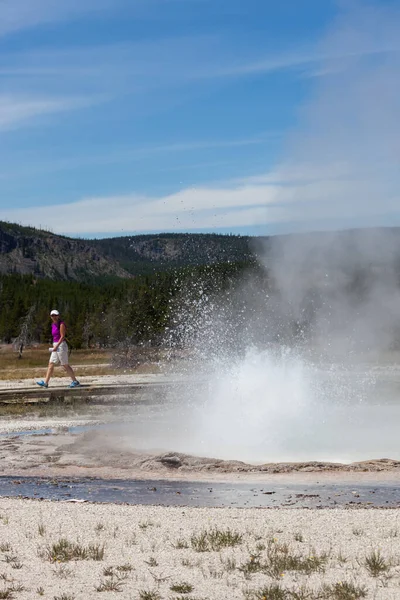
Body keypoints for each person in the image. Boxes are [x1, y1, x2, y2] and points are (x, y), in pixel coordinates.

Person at [36, 310, 80, 388]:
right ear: (50, 317)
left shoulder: (61, 324)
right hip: (55, 344)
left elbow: (62, 336)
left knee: (64, 364)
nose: (54, 317)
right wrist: (54, 346)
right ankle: (45, 383)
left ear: (58, 316)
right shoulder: (53, 324)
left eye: (55, 315)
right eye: (52, 315)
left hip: (61, 345)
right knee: (51, 363)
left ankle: (75, 381)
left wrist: (56, 346)